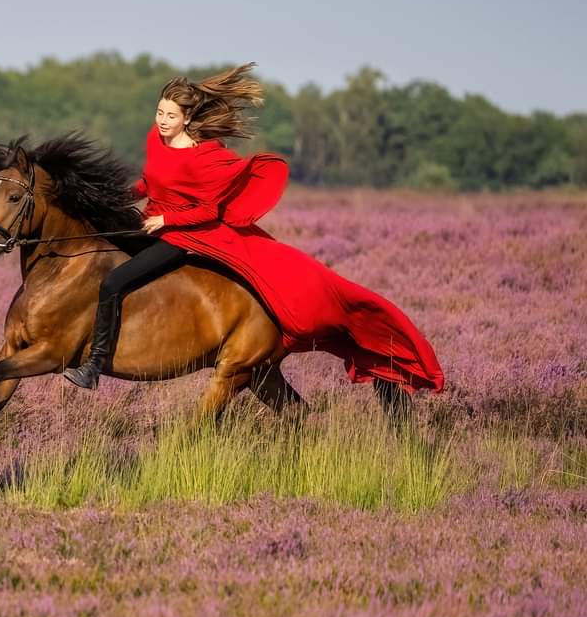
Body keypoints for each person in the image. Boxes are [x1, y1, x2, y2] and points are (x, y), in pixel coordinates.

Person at [63, 63, 444, 395]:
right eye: (160, 112)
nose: (162, 121)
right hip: (152, 223)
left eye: (170, 116)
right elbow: (152, 181)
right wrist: (123, 196)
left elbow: (209, 209)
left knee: (112, 283)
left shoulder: (206, 157)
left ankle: (94, 366)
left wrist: (167, 220)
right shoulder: (155, 138)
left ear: (188, 120)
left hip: (184, 235)